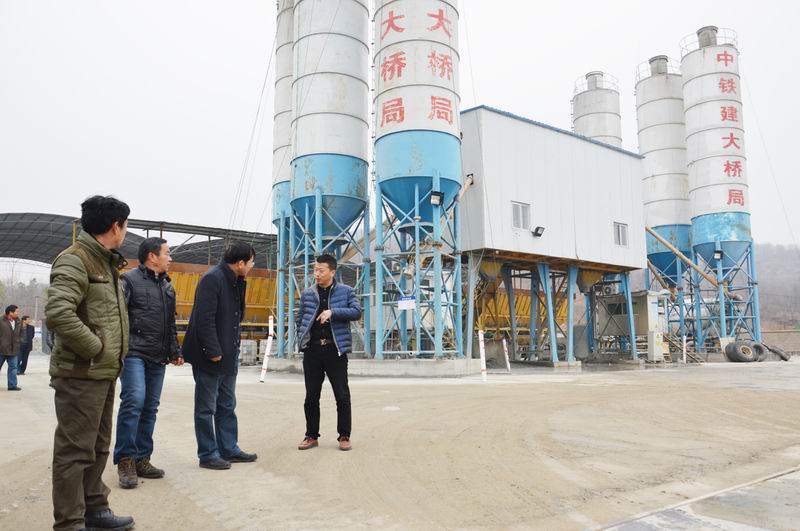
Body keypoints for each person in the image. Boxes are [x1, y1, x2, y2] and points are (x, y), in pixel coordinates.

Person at [46, 195, 134, 531]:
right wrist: (96, 348)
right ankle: (70, 523)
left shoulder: (105, 262)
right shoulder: (75, 260)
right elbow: (59, 313)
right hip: (80, 373)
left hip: (102, 372)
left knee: (97, 446)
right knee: (74, 451)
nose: (126, 231)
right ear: (115, 226)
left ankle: (95, 509)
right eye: (126, 226)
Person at [114, 237, 183, 489]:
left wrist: (175, 350)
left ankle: (142, 458)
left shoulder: (167, 286)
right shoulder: (128, 281)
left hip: (158, 356)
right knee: (134, 401)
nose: (170, 258)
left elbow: (170, 323)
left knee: (150, 407)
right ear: (152, 256)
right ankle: (125, 460)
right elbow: (117, 317)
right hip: (134, 352)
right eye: (167, 253)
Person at [182, 242, 258, 470]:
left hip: (229, 353)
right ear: (241, 263)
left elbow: (236, 316)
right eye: (251, 263)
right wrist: (213, 351)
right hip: (211, 356)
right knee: (206, 408)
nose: (252, 267)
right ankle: (207, 454)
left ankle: (229, 448)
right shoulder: (212, 279)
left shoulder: (236, 281)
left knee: (227, 404)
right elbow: (203, 319)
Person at [296, 254, 362, 452]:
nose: (317, 274)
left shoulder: (346, 291)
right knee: (311, 397)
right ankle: (311, 436)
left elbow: (357, 311)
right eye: (315, 270)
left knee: (342, 395)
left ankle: (344, 435)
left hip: (335, 350)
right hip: (313, 350)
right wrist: (303, 340)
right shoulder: (308, 293)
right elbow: (300, 318)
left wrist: (333, 312)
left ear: (332, 272)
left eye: (321, 270)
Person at [0, 304, 23, 391]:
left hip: (14, 350)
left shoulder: (18, 321)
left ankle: (12, 385)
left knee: (13, 368)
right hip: (1, 349)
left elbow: (21, 333)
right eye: (16, 311)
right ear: (10, 312)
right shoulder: (1, 320)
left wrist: (19, 341)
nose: (18, 313)